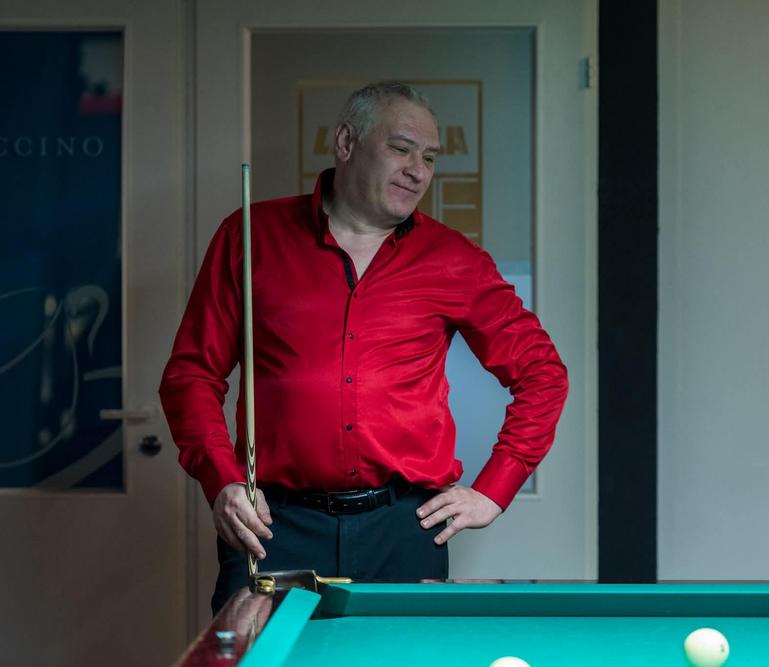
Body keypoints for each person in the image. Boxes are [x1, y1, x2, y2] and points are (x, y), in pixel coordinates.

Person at [159, 82, 569, 613]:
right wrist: (222, 480)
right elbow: (191, 375)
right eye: (401, 148)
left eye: (429, 157)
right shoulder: (250, 235)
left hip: (403, 528)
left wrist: (494, 488)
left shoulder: (454, 259)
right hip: (272, 524)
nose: (417, 170)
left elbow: (542, 373)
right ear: (346, 142)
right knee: (253, 653)